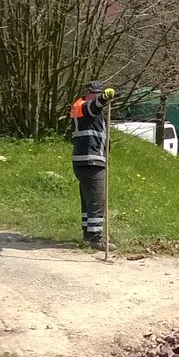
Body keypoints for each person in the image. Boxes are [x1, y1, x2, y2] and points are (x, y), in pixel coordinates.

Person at [69, 81, 115, 248]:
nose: (98, 96)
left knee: (88, 199)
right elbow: (94, 106)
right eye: (96, 93)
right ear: (89, 93)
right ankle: (96, 238)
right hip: (91, 160)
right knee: (97, 199)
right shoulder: (85, 107)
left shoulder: (79, 107)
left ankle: (88, 234)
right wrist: (104, 98)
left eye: (100, 93)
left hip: (84, 160)